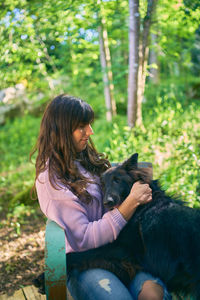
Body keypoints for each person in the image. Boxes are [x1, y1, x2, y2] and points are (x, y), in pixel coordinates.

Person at [31, 94, 172, 300]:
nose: (90, 132)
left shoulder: (85, 160)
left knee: (153, 295)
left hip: (123, 253)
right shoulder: (51, 181)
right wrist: (131, 202)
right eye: (82, 126)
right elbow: (85, 239)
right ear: (61, 130)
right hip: (87, 263)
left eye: (89, 124)